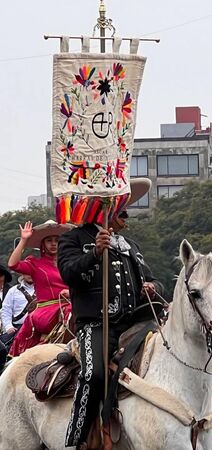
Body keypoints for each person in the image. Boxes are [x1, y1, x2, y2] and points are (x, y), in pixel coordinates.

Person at [58, 178, 163, 449]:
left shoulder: (131, 246)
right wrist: (95, 253)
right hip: (97, 324)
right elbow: (68, 273)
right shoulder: (73, 238)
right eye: (121, 208)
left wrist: (152, 288)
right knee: (94, 375)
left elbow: (156, 281)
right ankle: (77, 437)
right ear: (104, 210)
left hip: (136, 323)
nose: (126, 214)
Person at [8, 220, 73, 357]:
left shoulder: (70, 263)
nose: (54, 243)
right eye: (49, 240)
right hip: (46, 310)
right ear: (42, 244)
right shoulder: (35, 263)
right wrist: (24, 240)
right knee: (72, 312)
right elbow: (12, 264)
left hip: (68, 307)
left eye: (57, 240)